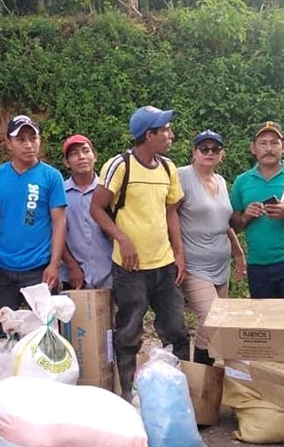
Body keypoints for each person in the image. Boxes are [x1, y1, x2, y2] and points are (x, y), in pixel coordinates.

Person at [90, 105, 189, 402]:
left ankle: (178, 395)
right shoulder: (120, 166)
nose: (170, 134)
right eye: (165, 130)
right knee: (129, 331)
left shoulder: (168, 168)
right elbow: (96, 208)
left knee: (176, 330)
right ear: (149, 135)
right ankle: (126, 395)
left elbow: (171, 212)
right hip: (130, 268)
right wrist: (123, 238)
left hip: (164, 265)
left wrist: (179, 253)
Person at [0, 115, 67, 339]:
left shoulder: (51, 177)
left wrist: (54, 264)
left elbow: (59, 222)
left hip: (38, 269)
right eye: (21, 139)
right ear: (8, 143)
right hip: (3, 268)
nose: (29, 144)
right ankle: (7, 373)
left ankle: (42, 374)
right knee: (3, 330)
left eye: (33, 138)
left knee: (44, 332)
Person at [177, 129, 245, 365]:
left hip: (220, 263)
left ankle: (202, 377)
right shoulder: (182, 176)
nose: (209, 153)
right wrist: (177, 255)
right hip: (194, 263)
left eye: (215, 149)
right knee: (211, 317)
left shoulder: (221, 181)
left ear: (221, 154)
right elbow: (168, 216)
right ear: (194, 152)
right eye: (203, 149)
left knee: (210, 323)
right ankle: (202, 374)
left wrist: (238, 252)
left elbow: (224, 222)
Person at [230, 121, 284, 298]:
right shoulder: (242, 181)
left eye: (274, 143)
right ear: (253, 148)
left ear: (283, 147)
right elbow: (234, 225)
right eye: (263, 143)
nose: (268, 148)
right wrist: (246, 216)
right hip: (258, 263)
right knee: (265, 322)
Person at [59, 134, 113, 290]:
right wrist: (71, 266)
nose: (81, 157)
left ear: (94, 156)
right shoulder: (59, 193)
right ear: (66, 162)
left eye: (85, 151)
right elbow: (55, 234)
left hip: (110, 274)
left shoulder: (108, 191)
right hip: (73, 277)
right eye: (74, 154)